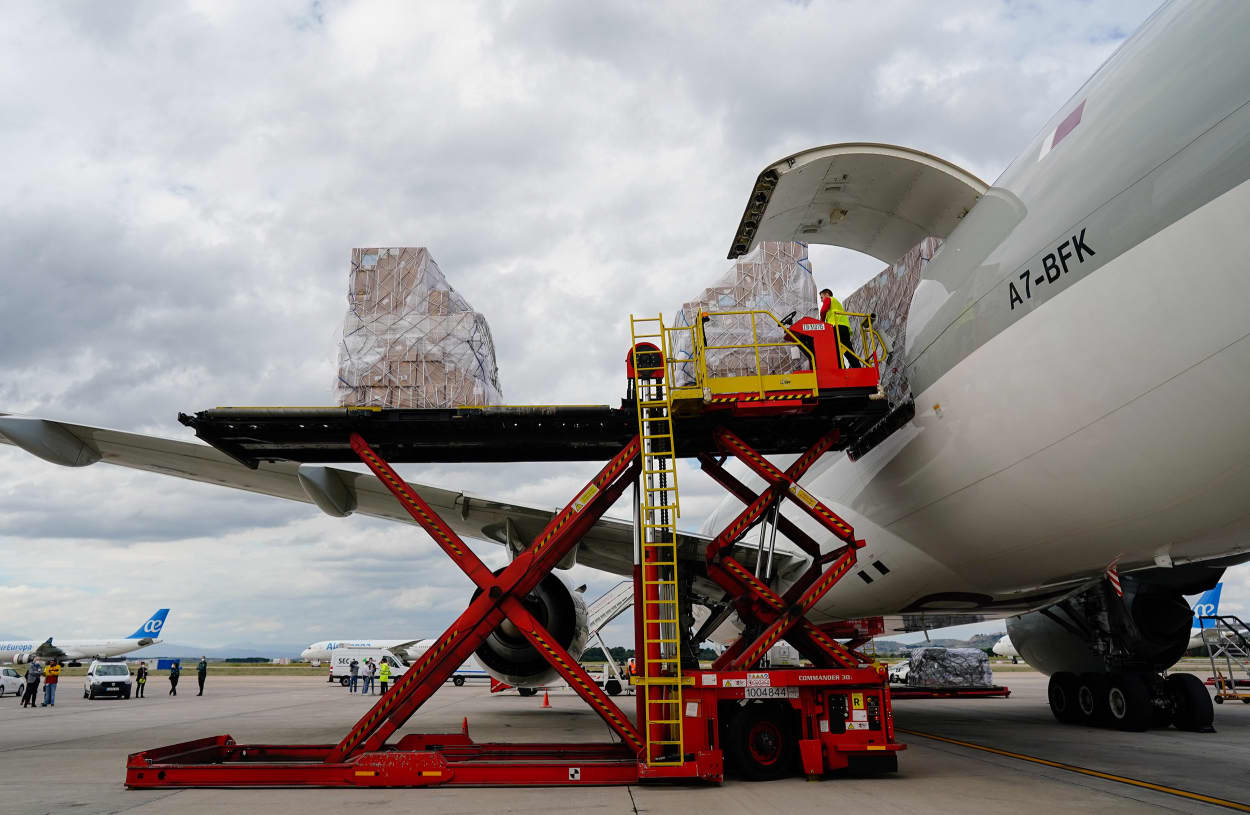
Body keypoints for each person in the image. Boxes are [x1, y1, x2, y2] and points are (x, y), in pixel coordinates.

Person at [819, 288, 861, 369]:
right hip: (843, 327)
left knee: (834, 349)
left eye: (821, 297)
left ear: (827, 294)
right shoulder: (835, 303)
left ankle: (841, 368)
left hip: (837, 326)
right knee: (847, 350)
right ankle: (856, 367)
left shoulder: (828, 299)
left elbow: (823, 311)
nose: (821, 300)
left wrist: (821, 323)